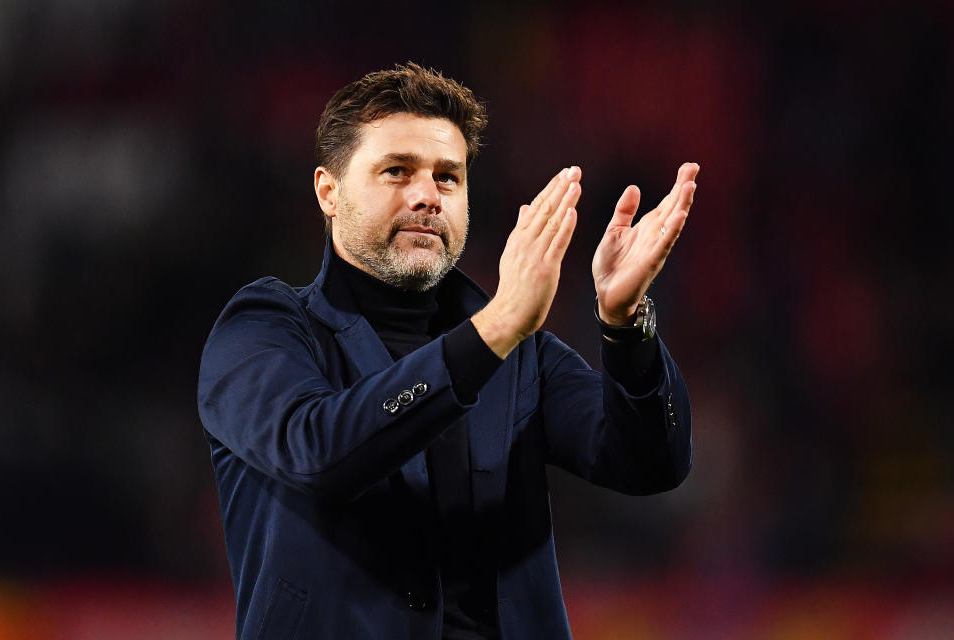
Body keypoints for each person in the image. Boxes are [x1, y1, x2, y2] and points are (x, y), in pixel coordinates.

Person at [198, 62, 698, 640]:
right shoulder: (265, 327)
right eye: (396, 171)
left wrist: (624, 325)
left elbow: (652, 464)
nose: (427, 196)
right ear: (328, 192)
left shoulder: (521, 353)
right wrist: (495, 329)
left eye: (447, 177)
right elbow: (319, 451)